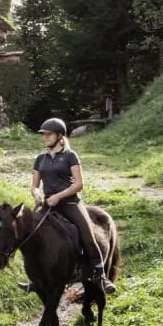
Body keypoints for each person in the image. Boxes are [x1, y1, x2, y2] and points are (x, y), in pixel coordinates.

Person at [28, 118, 115, 293]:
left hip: (70, 203)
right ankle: (36, 279)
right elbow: (35, 185)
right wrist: (37, 194)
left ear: (59, 136)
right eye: (43, 134)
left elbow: (78, 184)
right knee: (31, 236)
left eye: (49, 134)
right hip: (48, 204)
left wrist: (59, 196)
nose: (45, 137)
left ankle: (101, 276)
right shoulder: (40, 159)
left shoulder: (70, 156)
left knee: (88, 236)